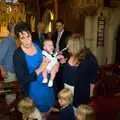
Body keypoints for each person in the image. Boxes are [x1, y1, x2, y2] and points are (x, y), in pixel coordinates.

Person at [13, 21, 55, 113]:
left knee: (47, 112)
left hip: (47, 86)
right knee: (37, 115)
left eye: (28, 36)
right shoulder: (18, 54)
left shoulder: (38, 45)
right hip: (34, 90)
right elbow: (23, 79)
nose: (27, 40)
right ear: (18, 40)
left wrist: (55, 60)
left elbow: (48, 55)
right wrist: (40, 68)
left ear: (31, 34)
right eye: (22, 38)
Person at [60, 33, 99, 107]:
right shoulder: (69, 54)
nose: (67, 47)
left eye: (69, 45)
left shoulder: (90, 59)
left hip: (80, 95)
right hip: (66, 92)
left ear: (76, 46)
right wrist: (63, 63)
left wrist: (90, 98)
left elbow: (93, 81)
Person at [0, 23, 17, 105]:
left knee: (13, 93)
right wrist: (2, 70)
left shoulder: (13, 40)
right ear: (12, 29)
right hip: (8, 72)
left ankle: (12, 111)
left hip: (14, 71)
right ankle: (11, 112)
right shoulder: (7, 41)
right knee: (11, 95)